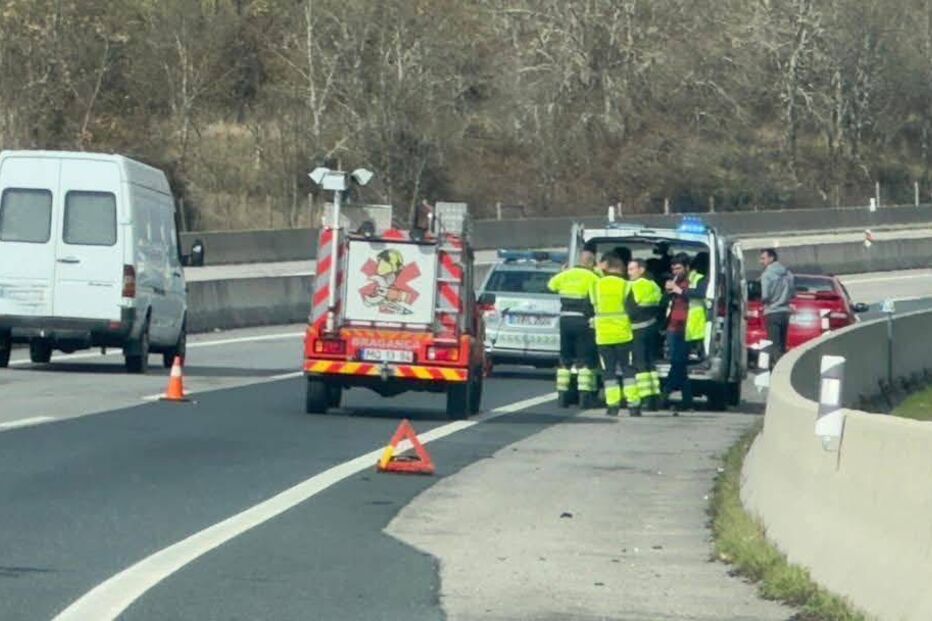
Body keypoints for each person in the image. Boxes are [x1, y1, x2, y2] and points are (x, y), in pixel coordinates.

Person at [547, 250, 601, 407]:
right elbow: (599, 295)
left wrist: (563, 272)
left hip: (565, 320)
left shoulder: (565, 275)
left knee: (565, 359)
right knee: (585, 360)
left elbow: (551, 286)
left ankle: (562, 395)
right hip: (583, 321)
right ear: (591, 263)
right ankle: (585, 396)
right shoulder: (593, 277)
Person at [590, 254, 640, 417]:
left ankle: (612, 406)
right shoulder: (626, 285)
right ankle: (633, 405)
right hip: (623, 335)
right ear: (620, 268)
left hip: (603, 336)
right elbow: (634, 311)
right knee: (628, 370)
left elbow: (588, 308)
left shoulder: (595, 285)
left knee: (608, 371)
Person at [661, 253, 707, 412]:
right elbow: (664, 302)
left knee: (678, 362)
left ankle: (665, 394)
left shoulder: (698, 279)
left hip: (688, 327)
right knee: (678, 363)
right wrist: (667, 292)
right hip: (672, 326)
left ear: (687, 267)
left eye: (679, 268)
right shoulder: (674, 281)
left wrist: (679, 290)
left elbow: (701, 294)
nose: (676, 272)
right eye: (674, 269)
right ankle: (687, 401)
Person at [626, 259, 663, 410]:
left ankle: (645, 397)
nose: (629, 273)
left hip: (637, 329)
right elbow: (660, 304)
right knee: (650, 363)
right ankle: (654, 397)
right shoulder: (654, 285)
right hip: (651, 328)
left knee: (639, 363)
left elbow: (630, 310)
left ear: (641, 270)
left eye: (631, 269)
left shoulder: (632, 286)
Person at [759, 248, 795, 365]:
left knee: (774, 344)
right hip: (785, 312)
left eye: (763, 258)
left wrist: (762, 301)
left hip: (772, 312)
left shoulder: (766, 275)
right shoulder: (788, 274)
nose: (761, 261)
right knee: (782, 344)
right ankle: (783, 365)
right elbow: (792, 293)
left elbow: (765, 296)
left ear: (771, 258)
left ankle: (776, 368)